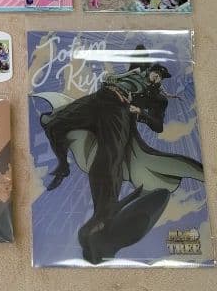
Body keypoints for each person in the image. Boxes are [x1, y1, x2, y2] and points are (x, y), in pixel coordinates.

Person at [38, 59, 204, 262]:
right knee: (55, 125)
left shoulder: (159, 98)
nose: (157, 77)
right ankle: (63, 167)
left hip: (119, 110)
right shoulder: (133, 74)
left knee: (109, 156)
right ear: (150, 71)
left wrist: (140, 112)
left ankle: (103, 220)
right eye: (156, 72)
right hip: (101, 97)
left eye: (161, 76)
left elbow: (158, 125)